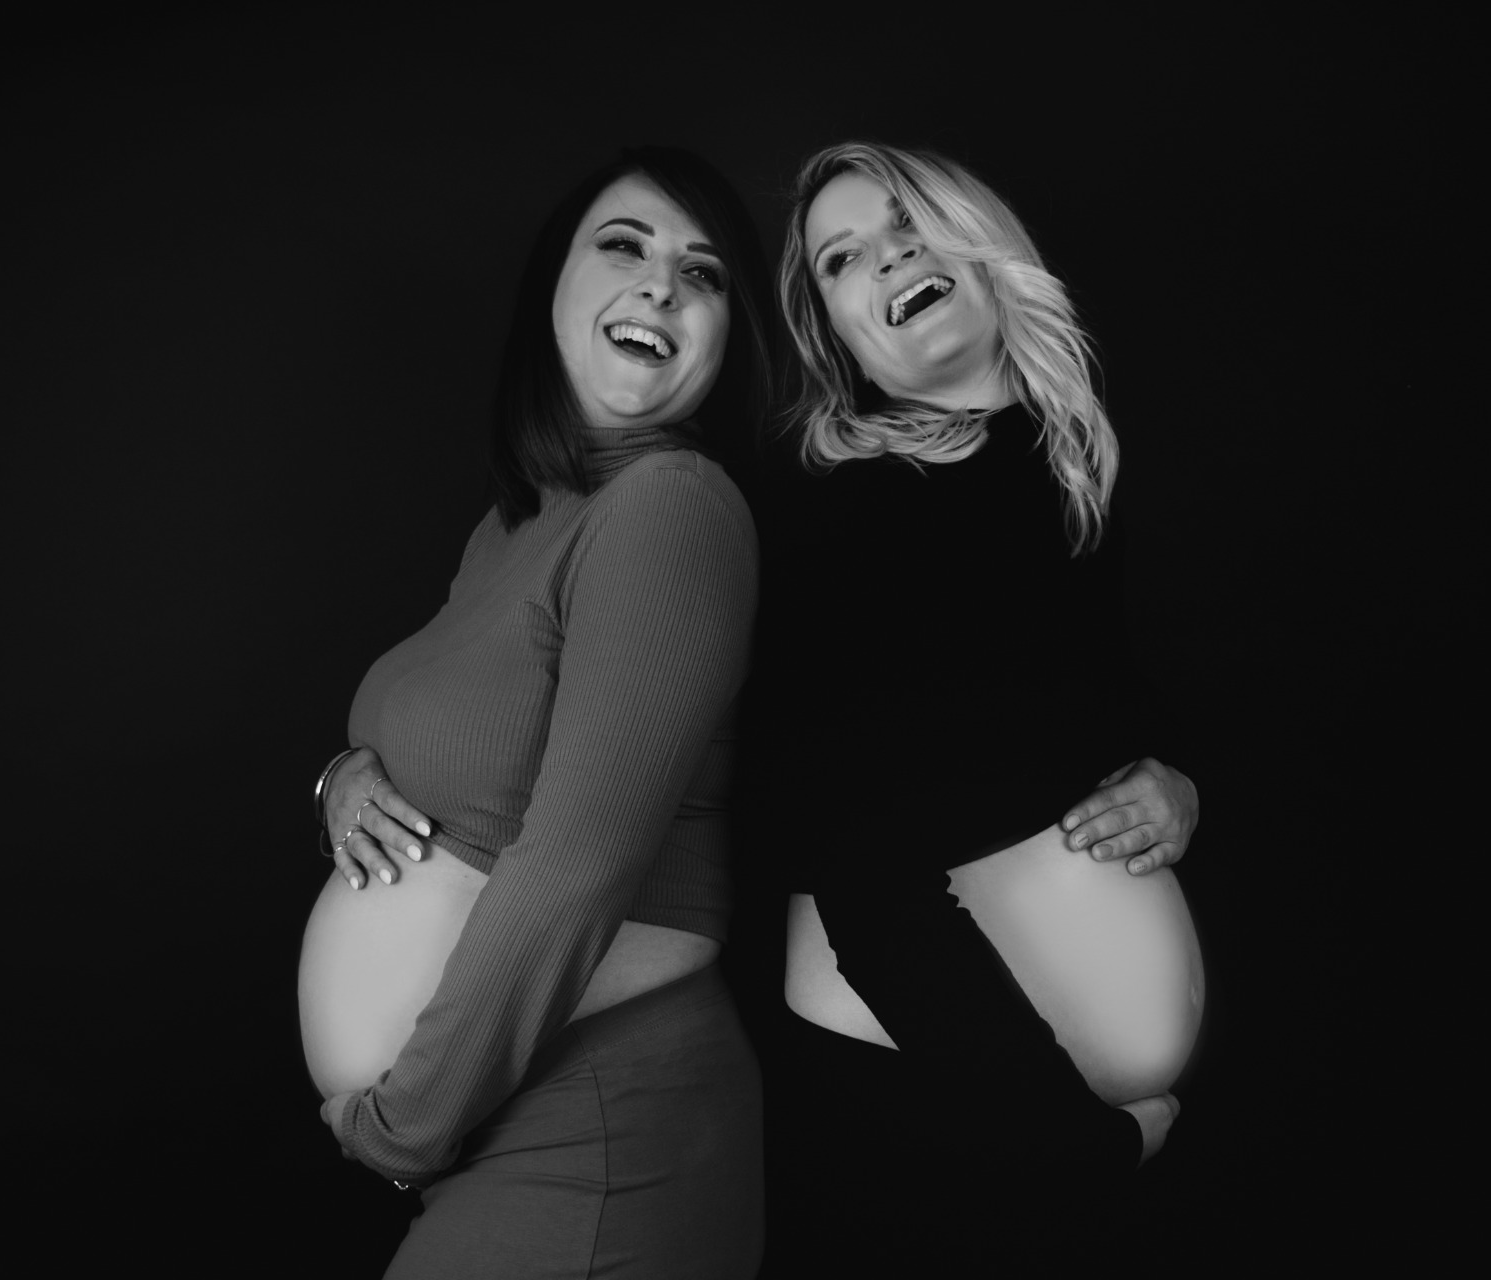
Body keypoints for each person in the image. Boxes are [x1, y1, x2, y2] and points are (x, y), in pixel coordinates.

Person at [295, 145, 774, 1279]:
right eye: (625, 246)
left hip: (598, 1122)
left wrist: (408, 1123)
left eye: (702, 273)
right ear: (553, 285)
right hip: (507, 1112)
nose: (661, 285)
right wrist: (344, 778)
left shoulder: (672, 505)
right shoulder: (518, 520)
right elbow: (444, 735)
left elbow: (578, 861)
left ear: (725, 338)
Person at [744, 141, 1204, 1278]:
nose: (886, 255)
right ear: (841, 339)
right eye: (842, 258)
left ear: (975, 231)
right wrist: (1071, 1146)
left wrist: (1179, 776)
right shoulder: (862, 516)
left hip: (1026, 1113)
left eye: (906, 220)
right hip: (931, 1102)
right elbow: (853, 850)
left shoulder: (1070, 463)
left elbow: (1114, 695)